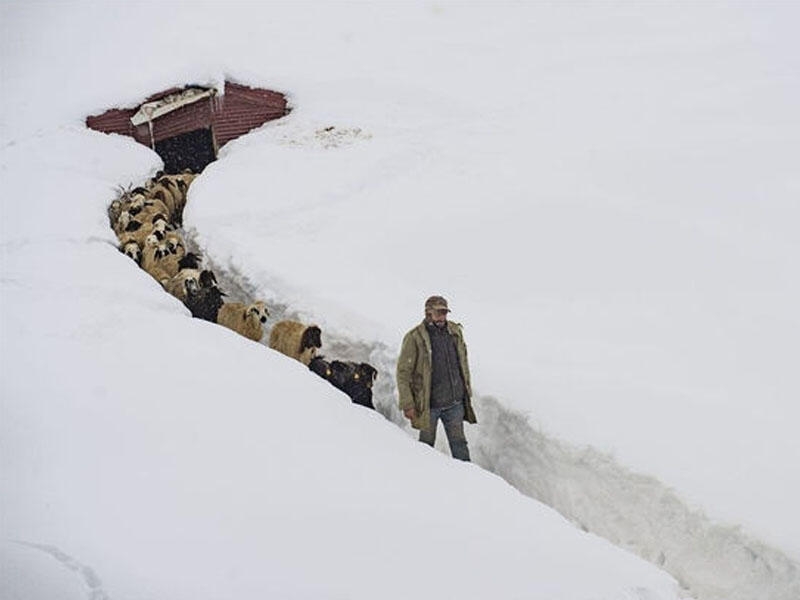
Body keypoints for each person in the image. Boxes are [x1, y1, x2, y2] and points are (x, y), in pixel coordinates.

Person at [396, 295, 477, 461]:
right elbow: (403, 372)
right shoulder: (414, 338)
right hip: (429, 406)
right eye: (439, 313)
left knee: (460, 445)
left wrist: (465, 391)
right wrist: (408, 404)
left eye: (445, 313)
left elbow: (463, 361)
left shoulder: (454, 331)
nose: (443, 317)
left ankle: (468, 481)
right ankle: (424, 477)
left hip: (455, 403)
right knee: (426, 448)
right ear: (428, 313)